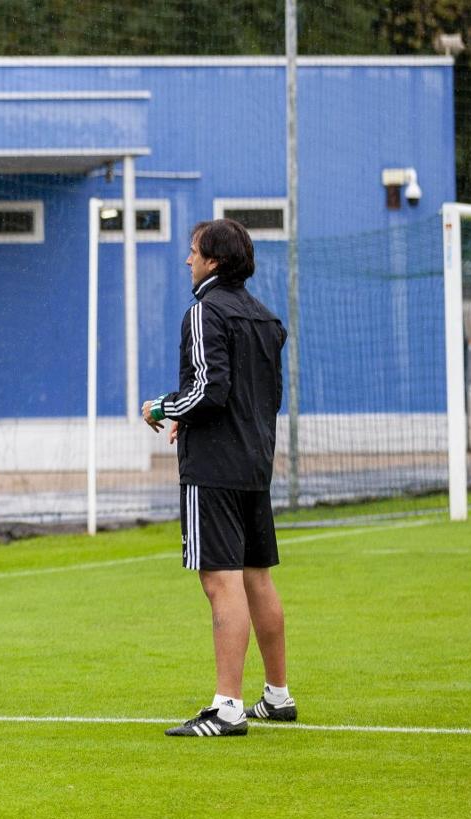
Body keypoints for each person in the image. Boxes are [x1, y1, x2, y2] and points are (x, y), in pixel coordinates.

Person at [142, 218, 295, 737]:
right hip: (255, 463)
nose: (187, 260)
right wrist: (192, 413)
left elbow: (211, 388)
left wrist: (164, 407)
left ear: (215, 261)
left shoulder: (204, 310)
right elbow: (265, 398)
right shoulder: (267, 318)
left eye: (193, 252)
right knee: (257, 576)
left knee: (219, 580)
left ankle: (226, 707)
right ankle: (277, 696)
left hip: (214, 468)